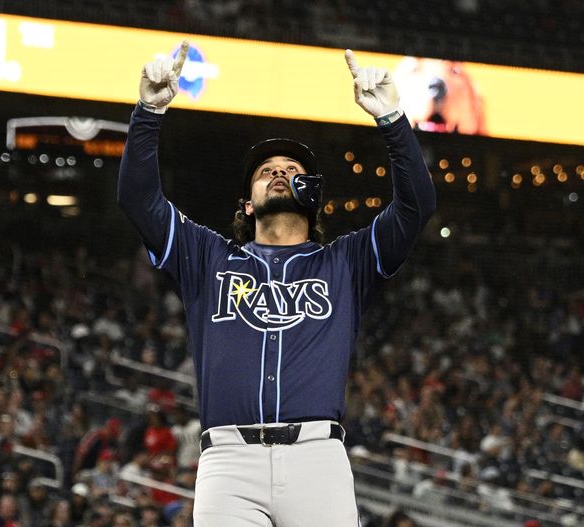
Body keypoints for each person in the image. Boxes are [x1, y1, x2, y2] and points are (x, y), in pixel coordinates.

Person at [118, 41, 436, 526]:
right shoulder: (205, 256)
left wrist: (391, 119)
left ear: (312, 197)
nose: (279, 174)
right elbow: (139, 199)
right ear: (247, 204)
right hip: (228, 461)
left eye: (292, 171)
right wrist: (149, 111)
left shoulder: (346, 262)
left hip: (316, 459)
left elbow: (416, 208)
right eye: (267, 173)